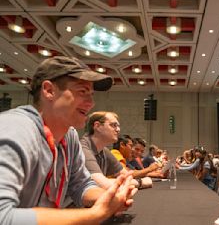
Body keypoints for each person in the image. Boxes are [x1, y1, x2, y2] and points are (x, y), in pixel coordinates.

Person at [0, 56, 135, 224]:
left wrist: (109, 197)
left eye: (91, 94)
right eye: (82, 92)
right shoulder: (15, 129)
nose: (91, 103)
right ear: (49, 91)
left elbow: (81, 185)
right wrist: (95, 215)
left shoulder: (69, 136)